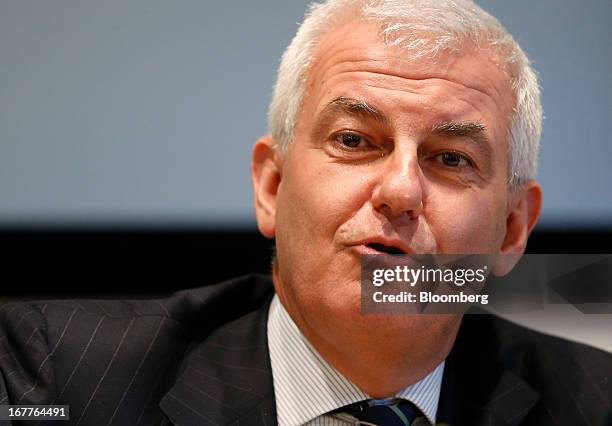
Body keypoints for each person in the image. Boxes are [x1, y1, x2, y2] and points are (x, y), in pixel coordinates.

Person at [1, 1, 610, 425]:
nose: (400, 192)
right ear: (272, 185)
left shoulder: (595, 401)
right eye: (353, 140)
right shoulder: (62, 376)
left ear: (510, 231)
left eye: (450, 157)